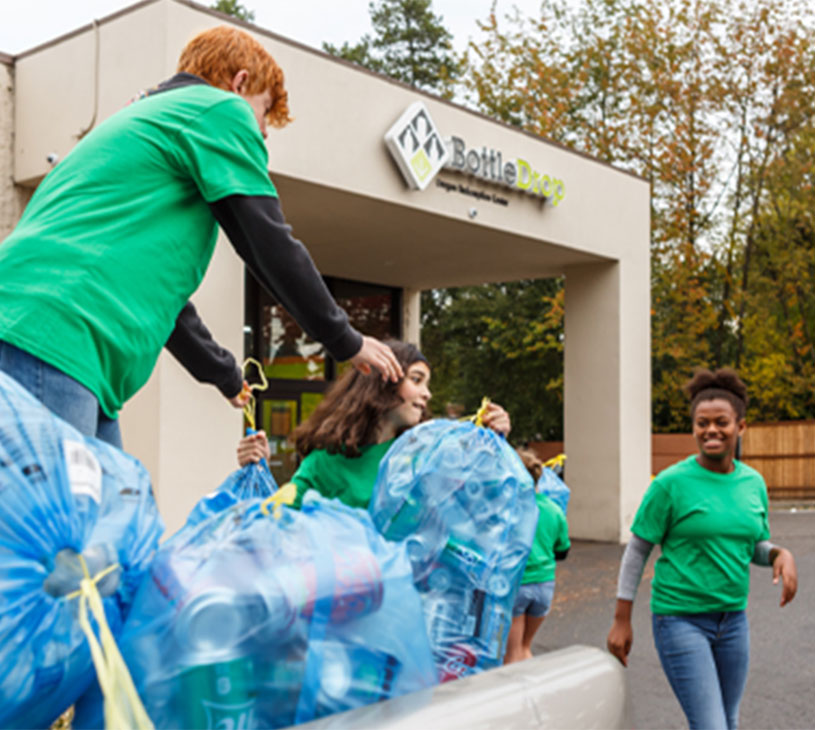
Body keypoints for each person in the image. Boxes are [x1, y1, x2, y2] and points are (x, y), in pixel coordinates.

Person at [0, 26, 401, 448]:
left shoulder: (147, 121)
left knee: (114, 510)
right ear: (240, 82)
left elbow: (162, 297)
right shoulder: (216, 109)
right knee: (49, 510)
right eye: (263, 113)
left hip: (59, 340)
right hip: (54, 333)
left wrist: (226, 375)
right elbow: (267, 240)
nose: (261, 134)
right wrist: (345, 338)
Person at [606, 368, 798, 730]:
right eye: (702, 423)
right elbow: (637, 551)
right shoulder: (670, 484)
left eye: (721, 422)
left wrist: (778, 554)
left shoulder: (753, 483)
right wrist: (621, 619)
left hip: (733, 621)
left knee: (728, 721)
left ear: (740, 427)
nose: (711, 430)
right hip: (680, 620)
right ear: (693, 428)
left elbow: (751, 545)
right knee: (712, 726)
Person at [236, 340, 511, 509]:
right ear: (384, 381)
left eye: (426, 384)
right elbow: (279, 522)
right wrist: (258, 470)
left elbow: (477, 502)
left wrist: (496, 442)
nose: (427, 394)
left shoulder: (426, 455)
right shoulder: (325, 462)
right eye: (416, 380)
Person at [503, 448, 570, 664]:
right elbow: (562, 550)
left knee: (511, 655)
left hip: (518, 585)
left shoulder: (508, 510)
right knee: (524, 648)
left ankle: (516, 696)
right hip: (544, 587)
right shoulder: (553, 509)